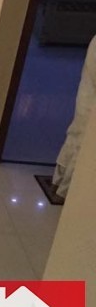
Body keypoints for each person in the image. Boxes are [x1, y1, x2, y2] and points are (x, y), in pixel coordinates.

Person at [53, 35, 96, 197]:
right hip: (90, 99)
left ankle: (61, 181)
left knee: (78, 135)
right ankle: (67, 190)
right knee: (81, 139)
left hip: (89, 96)